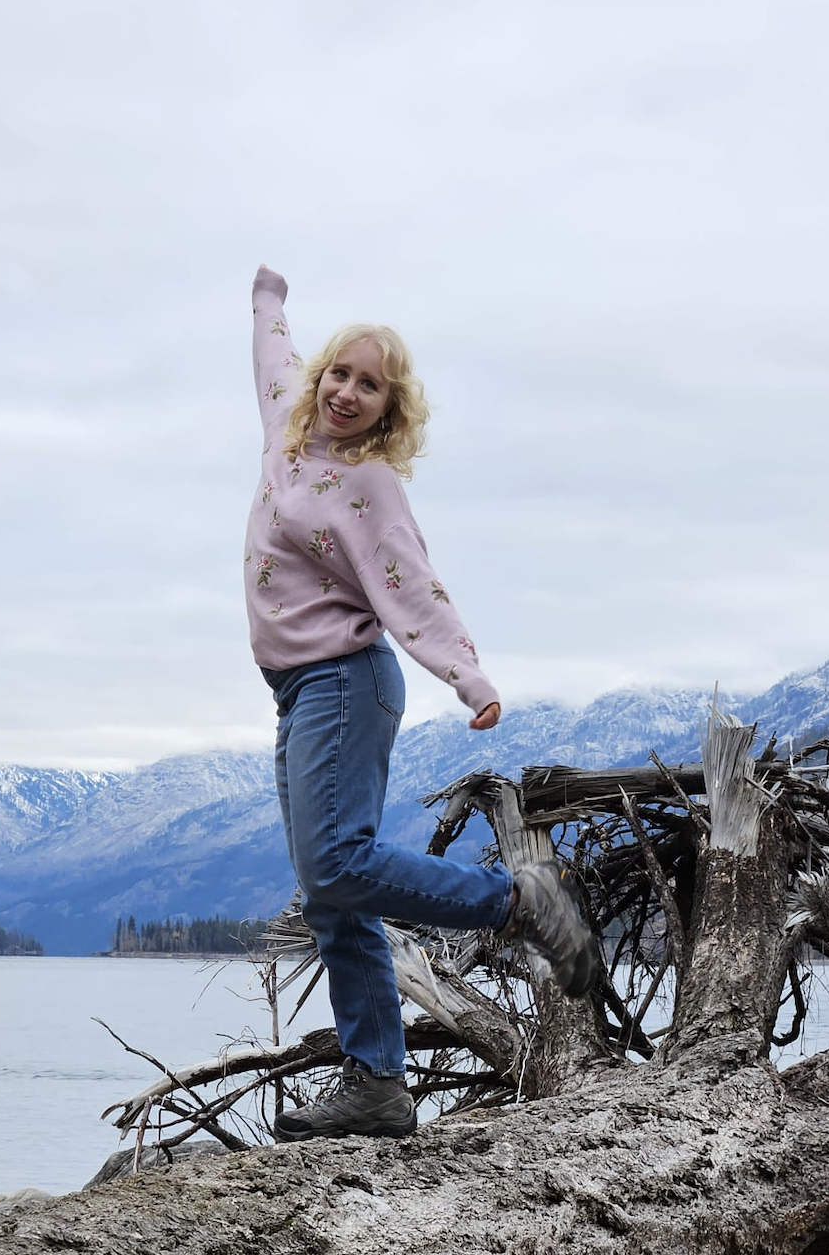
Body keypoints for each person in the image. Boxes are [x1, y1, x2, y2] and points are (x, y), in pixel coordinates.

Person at [245, 265, 596, 1143]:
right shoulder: (286, 433)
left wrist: (468, 678)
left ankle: (516, 902)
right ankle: (377, 1087)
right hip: (298, 694)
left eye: (371, 385)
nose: (347, 392)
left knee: (335, 864)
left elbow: (415, 591)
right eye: (340, 373)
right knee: (332, 900)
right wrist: (269, 301)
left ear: (390, 411)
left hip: (344, 682)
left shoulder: (370, 487)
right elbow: (271, 357)